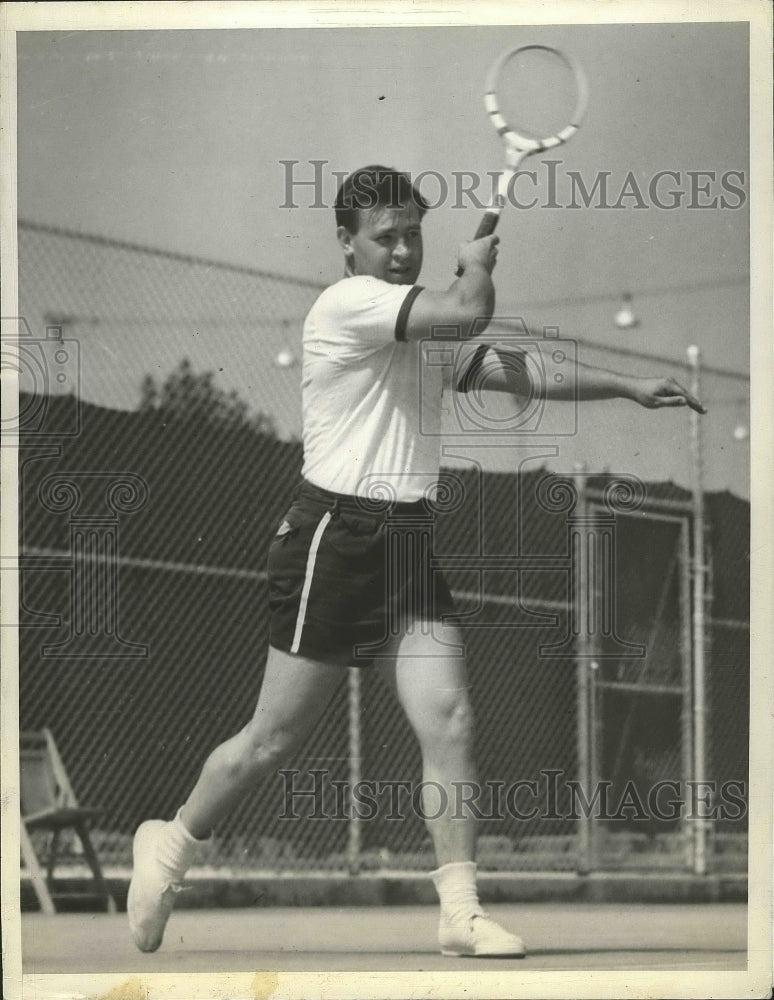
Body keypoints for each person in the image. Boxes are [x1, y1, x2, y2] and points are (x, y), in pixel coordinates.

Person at [128, 165, 705, 958]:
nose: (401, 251)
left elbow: (516, 368)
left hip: (406, 538)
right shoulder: (348, 305)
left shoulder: (424, 325)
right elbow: (469, 308)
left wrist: (629, 384)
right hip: (336, 534)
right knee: (273, 740)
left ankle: (460, 912)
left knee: (451, 717)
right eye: (384, 238)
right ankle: (168, 846)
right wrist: (478, 266)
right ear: (347, 245)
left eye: (412, 236)